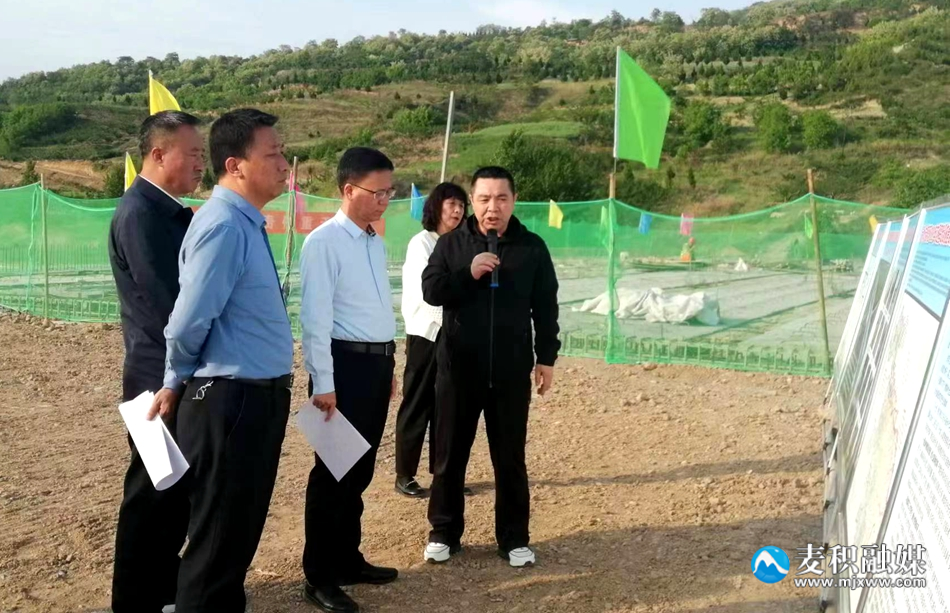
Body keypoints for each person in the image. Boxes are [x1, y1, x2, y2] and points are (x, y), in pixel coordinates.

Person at [152, 108, 294, 613]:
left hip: (254, 399)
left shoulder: (244, 223)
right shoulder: (224, 226)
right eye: (272, 154)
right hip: (231, 401)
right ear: (235, 165)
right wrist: (175, 378)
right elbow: (188, 320)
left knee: (234, 539)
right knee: (216, 545)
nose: (284, 164)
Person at [421, 166, 560, 568]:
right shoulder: (451, 244)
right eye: (484, 199)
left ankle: (514, 538)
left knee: (510, 457)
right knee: (449, 455)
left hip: (510, 372)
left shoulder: (532, 248)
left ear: (514, 201)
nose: (492, 207)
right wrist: (468, 273)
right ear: (472, 201)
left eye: (501, 198)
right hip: (458, 369)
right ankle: (444, 532)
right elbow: (431, 291)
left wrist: (546, 357)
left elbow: (545, 307)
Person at [107, 110, 203, 613]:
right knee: (151, 491)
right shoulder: (140, 214)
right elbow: (172, 303)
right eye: (194, 154)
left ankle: (164, 588)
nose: (201, 164)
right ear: (159, 154)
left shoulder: (169, 212)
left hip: (172, 372)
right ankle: (134, 599)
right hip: (153, 378)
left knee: (174, 492)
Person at [299, 147, 399, 613]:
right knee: (334, 473)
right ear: (347, 189)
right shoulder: (324, 242)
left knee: (359, 471)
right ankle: (319, 575)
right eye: (377, 192)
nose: (384, 201)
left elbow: (376, 310)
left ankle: (347, 558)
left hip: (375, 366)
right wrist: (323, 381)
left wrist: (389, 364)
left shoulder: (373, 241)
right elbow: (315, 318)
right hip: (343, 368)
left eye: (389, 192)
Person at [395, 182, 468, 499]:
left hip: (453, 336)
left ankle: (444, 474)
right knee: (417, 403)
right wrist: (452, 325)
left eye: (461, 205)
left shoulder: (461, 245)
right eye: (452, 204)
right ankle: (404, 474)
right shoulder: (422, 243)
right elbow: (427, 294)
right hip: (426, 334)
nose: (457, 210)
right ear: (436, 207)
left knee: (448, 407)